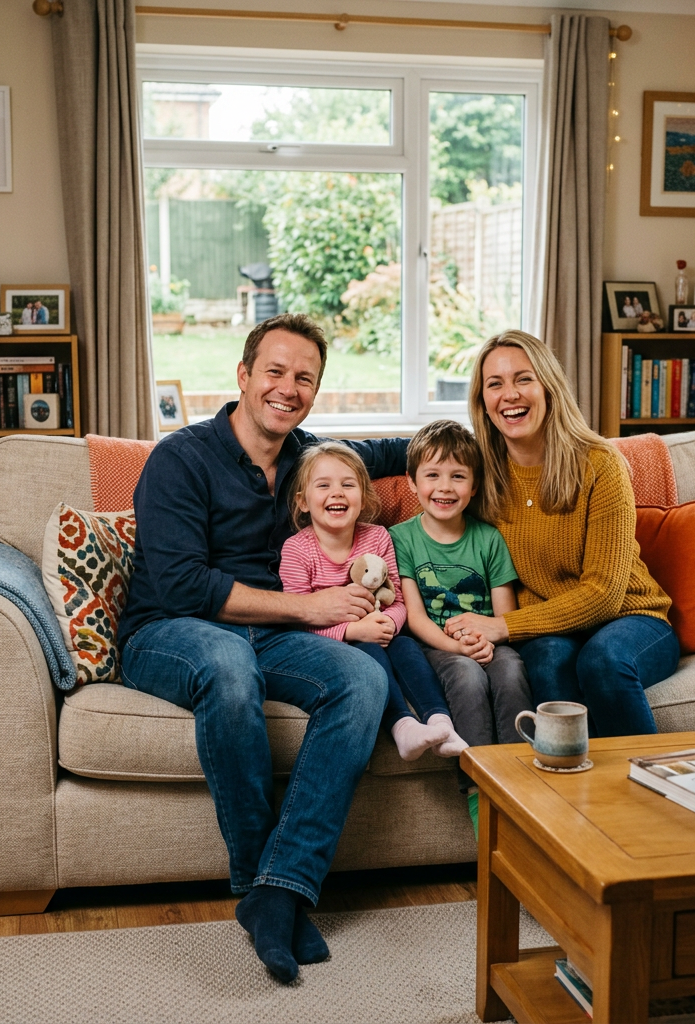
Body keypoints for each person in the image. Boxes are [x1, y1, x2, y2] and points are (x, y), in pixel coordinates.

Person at [118, 313, 408, 985]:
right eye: (274, 372)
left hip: (272, 634)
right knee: (229, 668)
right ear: (244, 375)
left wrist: (484, 435)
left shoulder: (312, 460)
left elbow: (394, 450)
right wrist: (310, 607)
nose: (288, 388)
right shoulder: (180, 459)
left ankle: (277, 891)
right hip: (170, 629)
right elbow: (185, 586)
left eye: (304, 378)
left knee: (364, 680)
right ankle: (261, 883)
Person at [443, 330, 679, 739]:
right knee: (547, 662)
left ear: (549, 387)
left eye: (523, 379)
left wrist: (503, 626)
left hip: (632, 617)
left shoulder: (600, 464)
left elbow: (604, 594)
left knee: (601, 661)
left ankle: (645, 775)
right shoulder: (479, 474)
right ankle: (568, 777)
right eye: (495, 384)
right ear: (482, 401)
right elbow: (426, 479)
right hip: (550, 630)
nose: (510, 395)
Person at [279, 441, 467, 762]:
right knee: (369, 652)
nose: (337, 493)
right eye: (323, 485)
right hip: (333, 645)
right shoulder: (297, 550)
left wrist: (389, 623)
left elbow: (398, 600)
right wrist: (352, 632)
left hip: (381, 632)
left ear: (364, 497)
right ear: (303, 501)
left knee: (406, 646)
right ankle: (402, 726)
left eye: (348, 484)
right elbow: (297, 620)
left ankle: (441, 723)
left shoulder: (377, 537)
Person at [388, 419, 532, 836]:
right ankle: (476, 790)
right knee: (468, 677)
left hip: (488, 642)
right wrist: (458, 648)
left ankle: (521, 779)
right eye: (432, 475)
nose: (444, 487)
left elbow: (503, 614)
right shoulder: (401, 538)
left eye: (458, 476)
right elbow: (415, 618)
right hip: (435, 645)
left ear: (474, 485)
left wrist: (483, 638)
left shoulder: (488, 539)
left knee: (511, 669)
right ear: (413, 482)